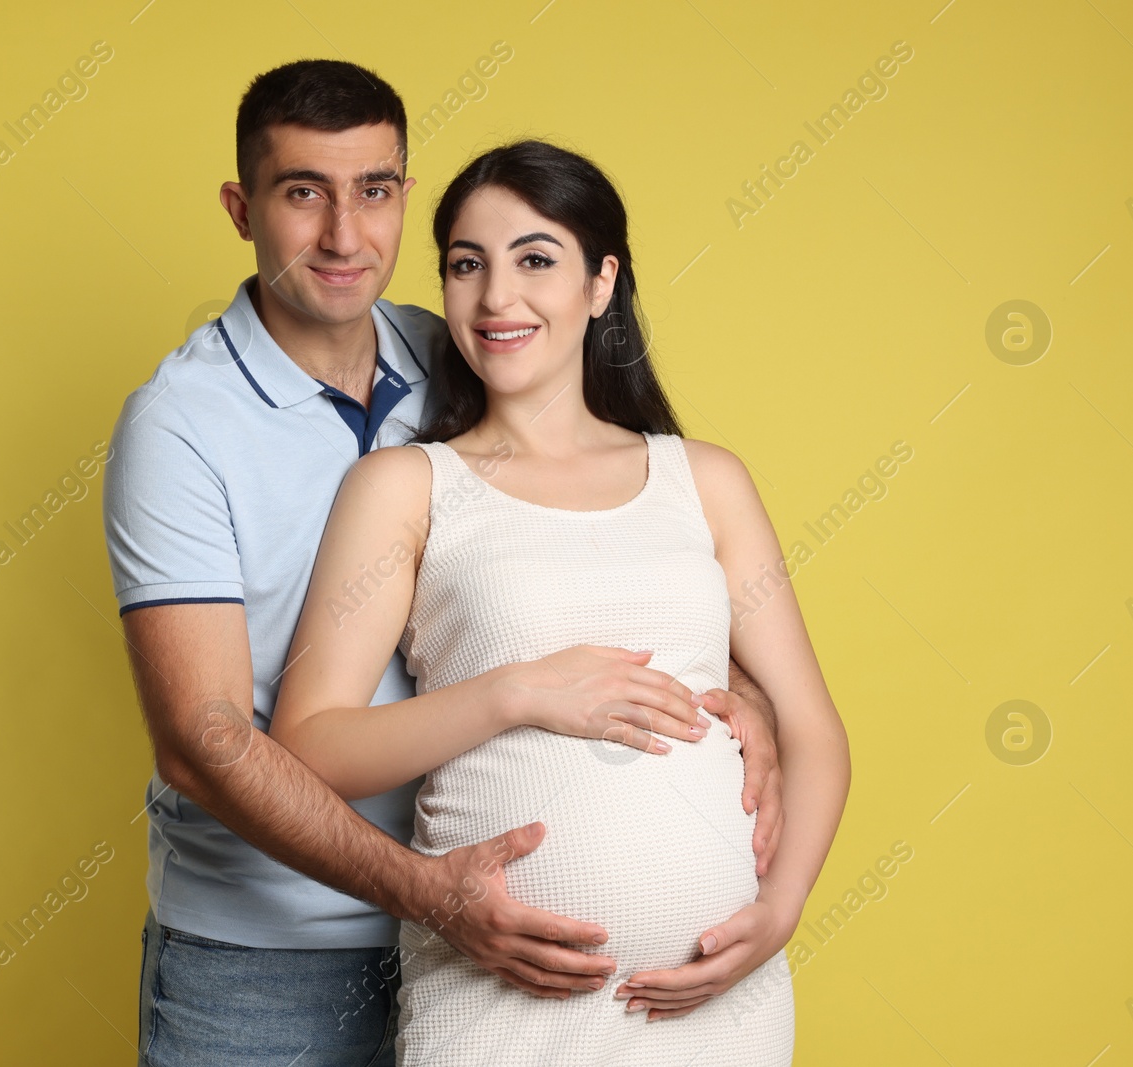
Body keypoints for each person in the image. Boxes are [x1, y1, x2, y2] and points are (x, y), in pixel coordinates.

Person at [103, 60, 788, 1067]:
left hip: (488, 945)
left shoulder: (460, 351)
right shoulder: (179, 426)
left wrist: (734, 695)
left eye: (373, 191)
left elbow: (593, 557)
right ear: (241, 210)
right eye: (303, 194)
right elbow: (202, 740)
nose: (344, 235)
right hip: (270, 956)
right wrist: (427, 892)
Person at [269, 139, 851, 1065]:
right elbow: (307, 745)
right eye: (467, 265)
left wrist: (778, 915)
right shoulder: (406, 486)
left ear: (600, 282)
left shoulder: (703, 479)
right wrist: (520, 691)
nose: (497, 297)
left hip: (717, 1010)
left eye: (536, 259)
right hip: (498, 1007)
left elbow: (814, 730)